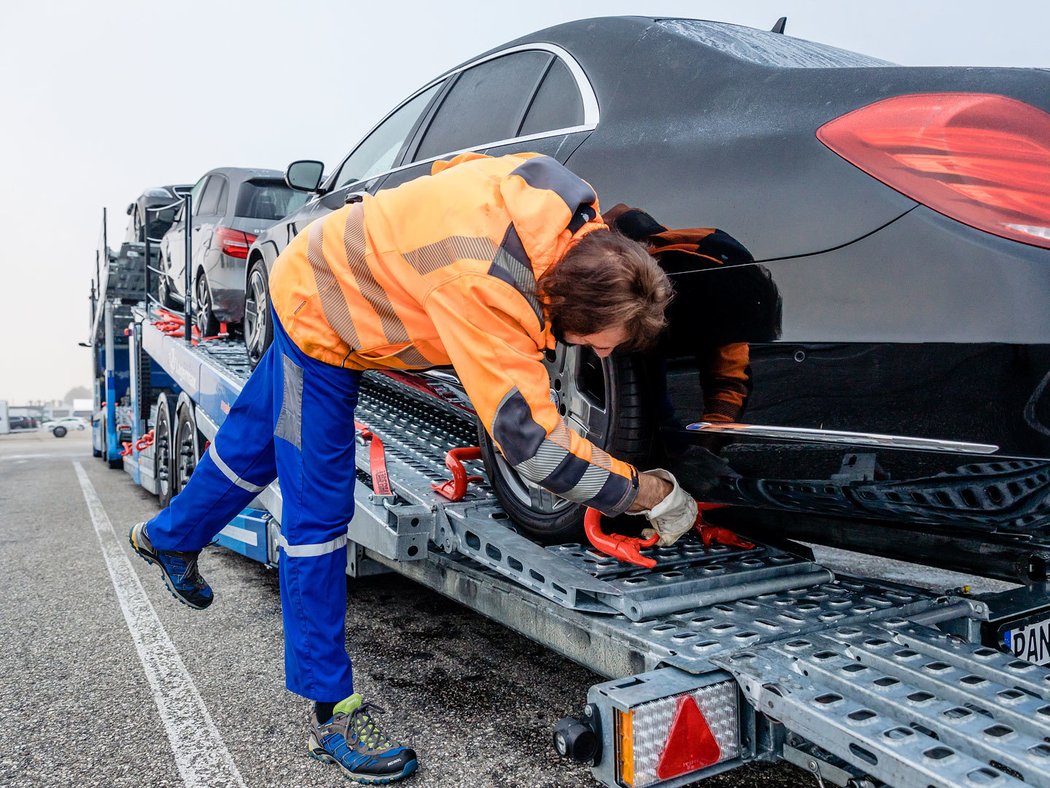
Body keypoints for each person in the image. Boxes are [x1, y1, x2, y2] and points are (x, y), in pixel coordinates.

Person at [128, 152, 698, 784]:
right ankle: (331, 711)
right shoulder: (485, 284)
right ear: (565, 300)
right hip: (323, 309)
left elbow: (454, 166)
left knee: (253, 447)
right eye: (594, 342)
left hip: (327, 257)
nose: (595, 354)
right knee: (319, 516)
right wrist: (647, 493)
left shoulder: (563, 196)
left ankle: (169, 538)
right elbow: (536, 446)